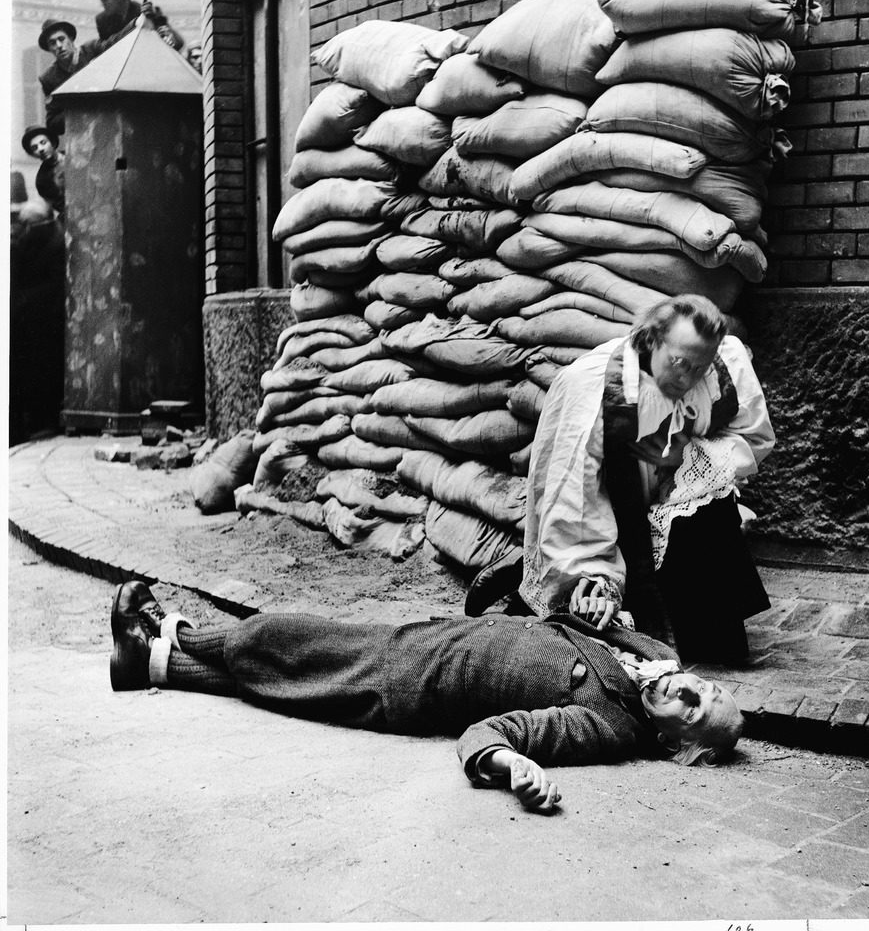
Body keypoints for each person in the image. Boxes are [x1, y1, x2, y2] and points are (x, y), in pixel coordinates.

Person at [110, 580, 745, 813]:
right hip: (436, 641)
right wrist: (596, 598)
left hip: (416, 680)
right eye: (704, 687)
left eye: (692, 709)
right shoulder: (657, 657)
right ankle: (150, 660)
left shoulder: (609, 727)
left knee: (280, 639)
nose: (687, 687)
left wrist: (513, 765)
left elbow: (493, 734)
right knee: (292, 677)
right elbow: (588, 623)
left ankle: (175, 632)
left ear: (673, 744)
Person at [471, 294, 775, 664]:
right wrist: (590, 572)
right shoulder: (591, 387)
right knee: (592, 618)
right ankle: (524, 577)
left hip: (678, 502)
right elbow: (574, 491)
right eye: (680, 363)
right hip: (609, 512)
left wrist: (689, 455)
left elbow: (754, 439)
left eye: (700, 367)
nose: (689, 378)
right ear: (650, 341)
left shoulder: (722, 367)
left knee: (721, 650)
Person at [37, 18, 102, 136]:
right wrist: (77, 108)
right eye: (52, 43)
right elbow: (52, 123)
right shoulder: (49, 78)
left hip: (108, 119)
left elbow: (115, 40)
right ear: (49, 49)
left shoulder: (92, 50)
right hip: (82, 135)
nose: (59, 46)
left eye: (61, 39)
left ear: (71, 38)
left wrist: (137, 22)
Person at [93, 0, 184, 52]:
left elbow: (177, 43)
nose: (102, 4)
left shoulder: (147, 13)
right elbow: (106, 50)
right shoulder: (102, 20)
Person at [21, 124, 66, 216]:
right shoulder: (42, 180)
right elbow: (61, 207)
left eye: (43, 143)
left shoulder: (73, 154)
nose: (40, 149)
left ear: (52, 143)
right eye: (35, 148)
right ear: (33, 154)